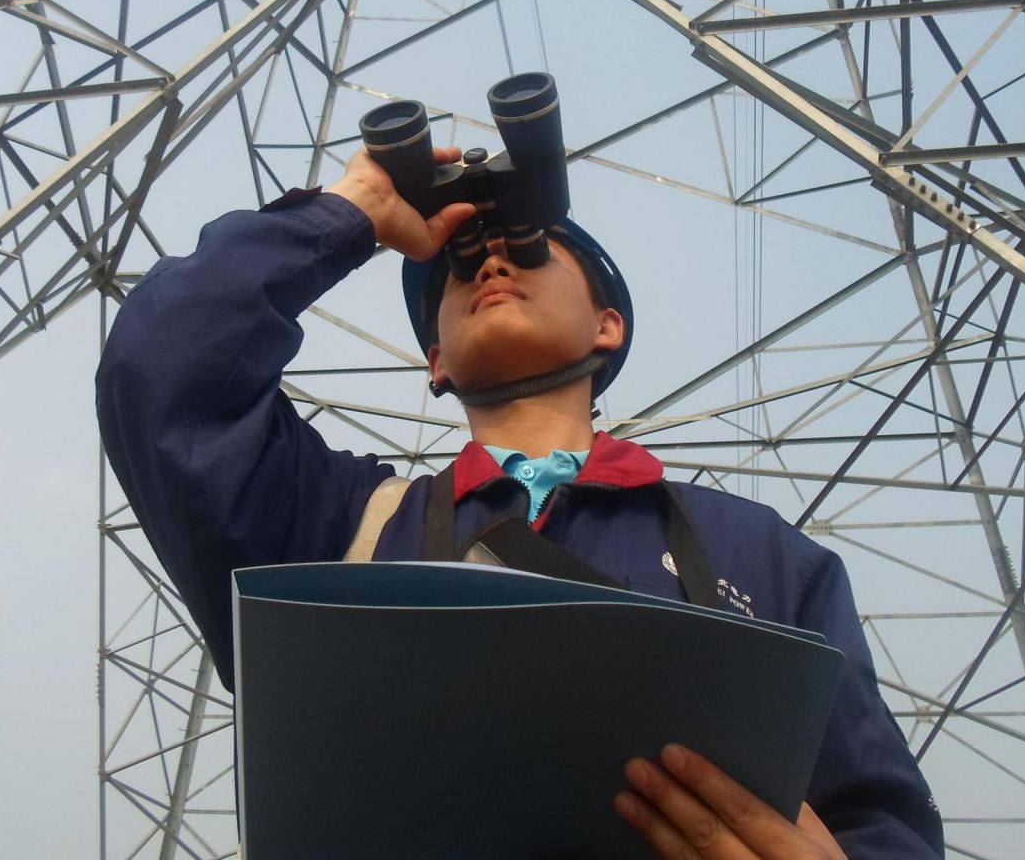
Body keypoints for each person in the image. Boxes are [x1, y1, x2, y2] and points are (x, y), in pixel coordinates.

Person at [95, 145, 944, 859]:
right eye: (461, 268)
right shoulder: (340, 522)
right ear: (436, 361)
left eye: (531, 250)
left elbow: (881, 820)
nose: (493, 263)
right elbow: (162, 367)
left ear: (608, 326)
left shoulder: (757, 551)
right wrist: (349, 212)